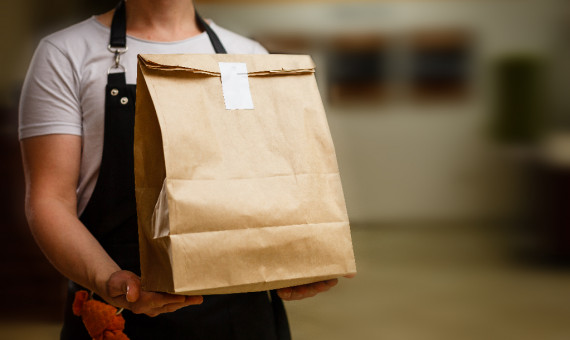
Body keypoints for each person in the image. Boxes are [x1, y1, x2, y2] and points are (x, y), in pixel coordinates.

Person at [19, 0, 343, 339]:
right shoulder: (66, 53)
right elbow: (50, 199)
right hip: (118, 309)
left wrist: (299, 260)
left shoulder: (246, 55)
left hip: (241, 316)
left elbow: (273, 183)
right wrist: (109, 280)